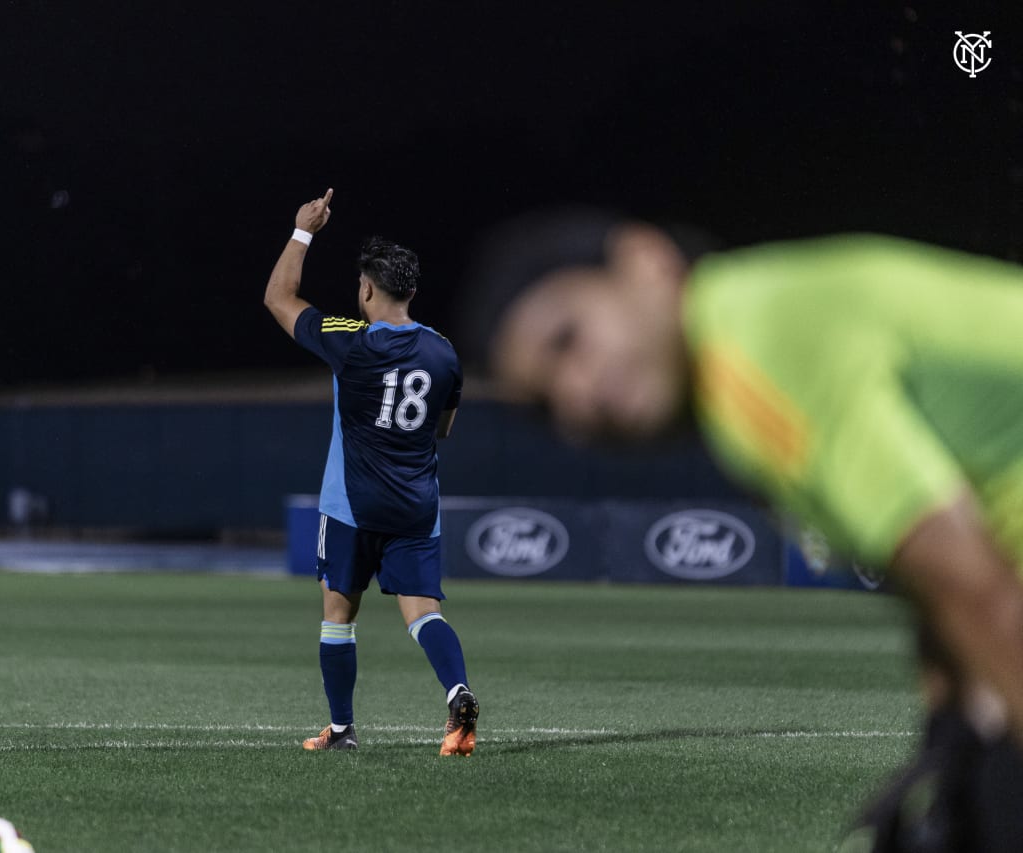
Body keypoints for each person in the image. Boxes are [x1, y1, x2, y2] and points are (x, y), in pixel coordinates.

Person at [465, 208, 1023, 849]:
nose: (577, 395)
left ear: (646, 262)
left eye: (569, 338)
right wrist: (951, 729)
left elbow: (977, 593)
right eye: (547, 403)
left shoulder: (757, 346)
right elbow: (938, 587)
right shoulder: (751, 320)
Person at [264, 188, 479, 756]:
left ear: (366, 290)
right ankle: (458, 692)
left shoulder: (350, 342)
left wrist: (303, 229)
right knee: (422, 613)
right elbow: (443, 430)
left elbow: (278, 297)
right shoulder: (443, 352)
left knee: (338, 614)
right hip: (415, 503)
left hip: (352, 503)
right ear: (412, 291)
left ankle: (341, 730)